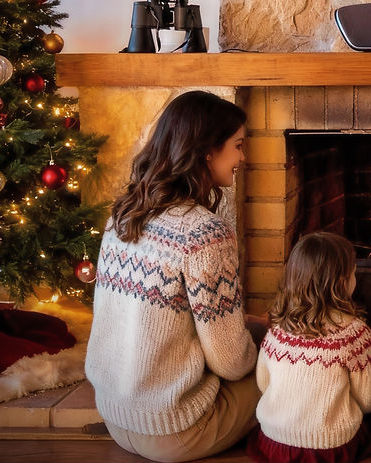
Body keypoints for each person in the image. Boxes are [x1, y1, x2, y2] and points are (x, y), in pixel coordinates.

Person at [85, 90, 260, 463]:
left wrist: (253, 325)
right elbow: (231, 362)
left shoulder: (122, 216)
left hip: (118, 417)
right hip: (177, 429)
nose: (243, 158)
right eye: (238, 146)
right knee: (295, 366)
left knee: (259, 333)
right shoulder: (202, 233)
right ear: (208, 151)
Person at [248, 232, 371, 463]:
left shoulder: (277, 331)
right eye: (354, 273)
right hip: (330, 448)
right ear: (342, 282)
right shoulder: (355, 334)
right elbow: (367, 402)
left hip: (275, 443)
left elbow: (263, 384)